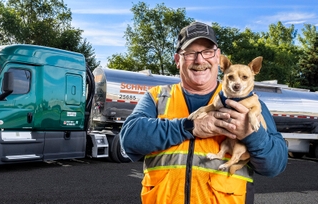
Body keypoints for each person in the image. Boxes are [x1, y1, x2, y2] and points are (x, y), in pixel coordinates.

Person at [120, 21, 288, 204]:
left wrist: (251, 135)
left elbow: (275, 165)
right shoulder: (157, 97)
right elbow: (129, 140)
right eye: (190, 53)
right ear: (178, 60)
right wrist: (190, 126)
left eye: (207, 52)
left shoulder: (249, 104)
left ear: (217, 57)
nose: (200, 60)